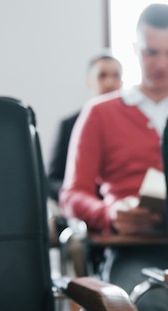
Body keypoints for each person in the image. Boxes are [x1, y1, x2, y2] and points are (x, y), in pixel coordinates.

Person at [59, 4, 168, 311]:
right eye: (152, 52)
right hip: (133, 249)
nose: (161, 64)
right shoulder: (100, 113)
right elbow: (73, 194)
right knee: (147, 302)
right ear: (136, 49)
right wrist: (109, 213)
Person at [47, 54, 122, 202]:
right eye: (102, 75)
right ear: (89, 82)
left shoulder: (130, 124)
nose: (109, 82)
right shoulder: (69, 125)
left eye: (116, 76)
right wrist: (78, 199)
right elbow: (51, 181)